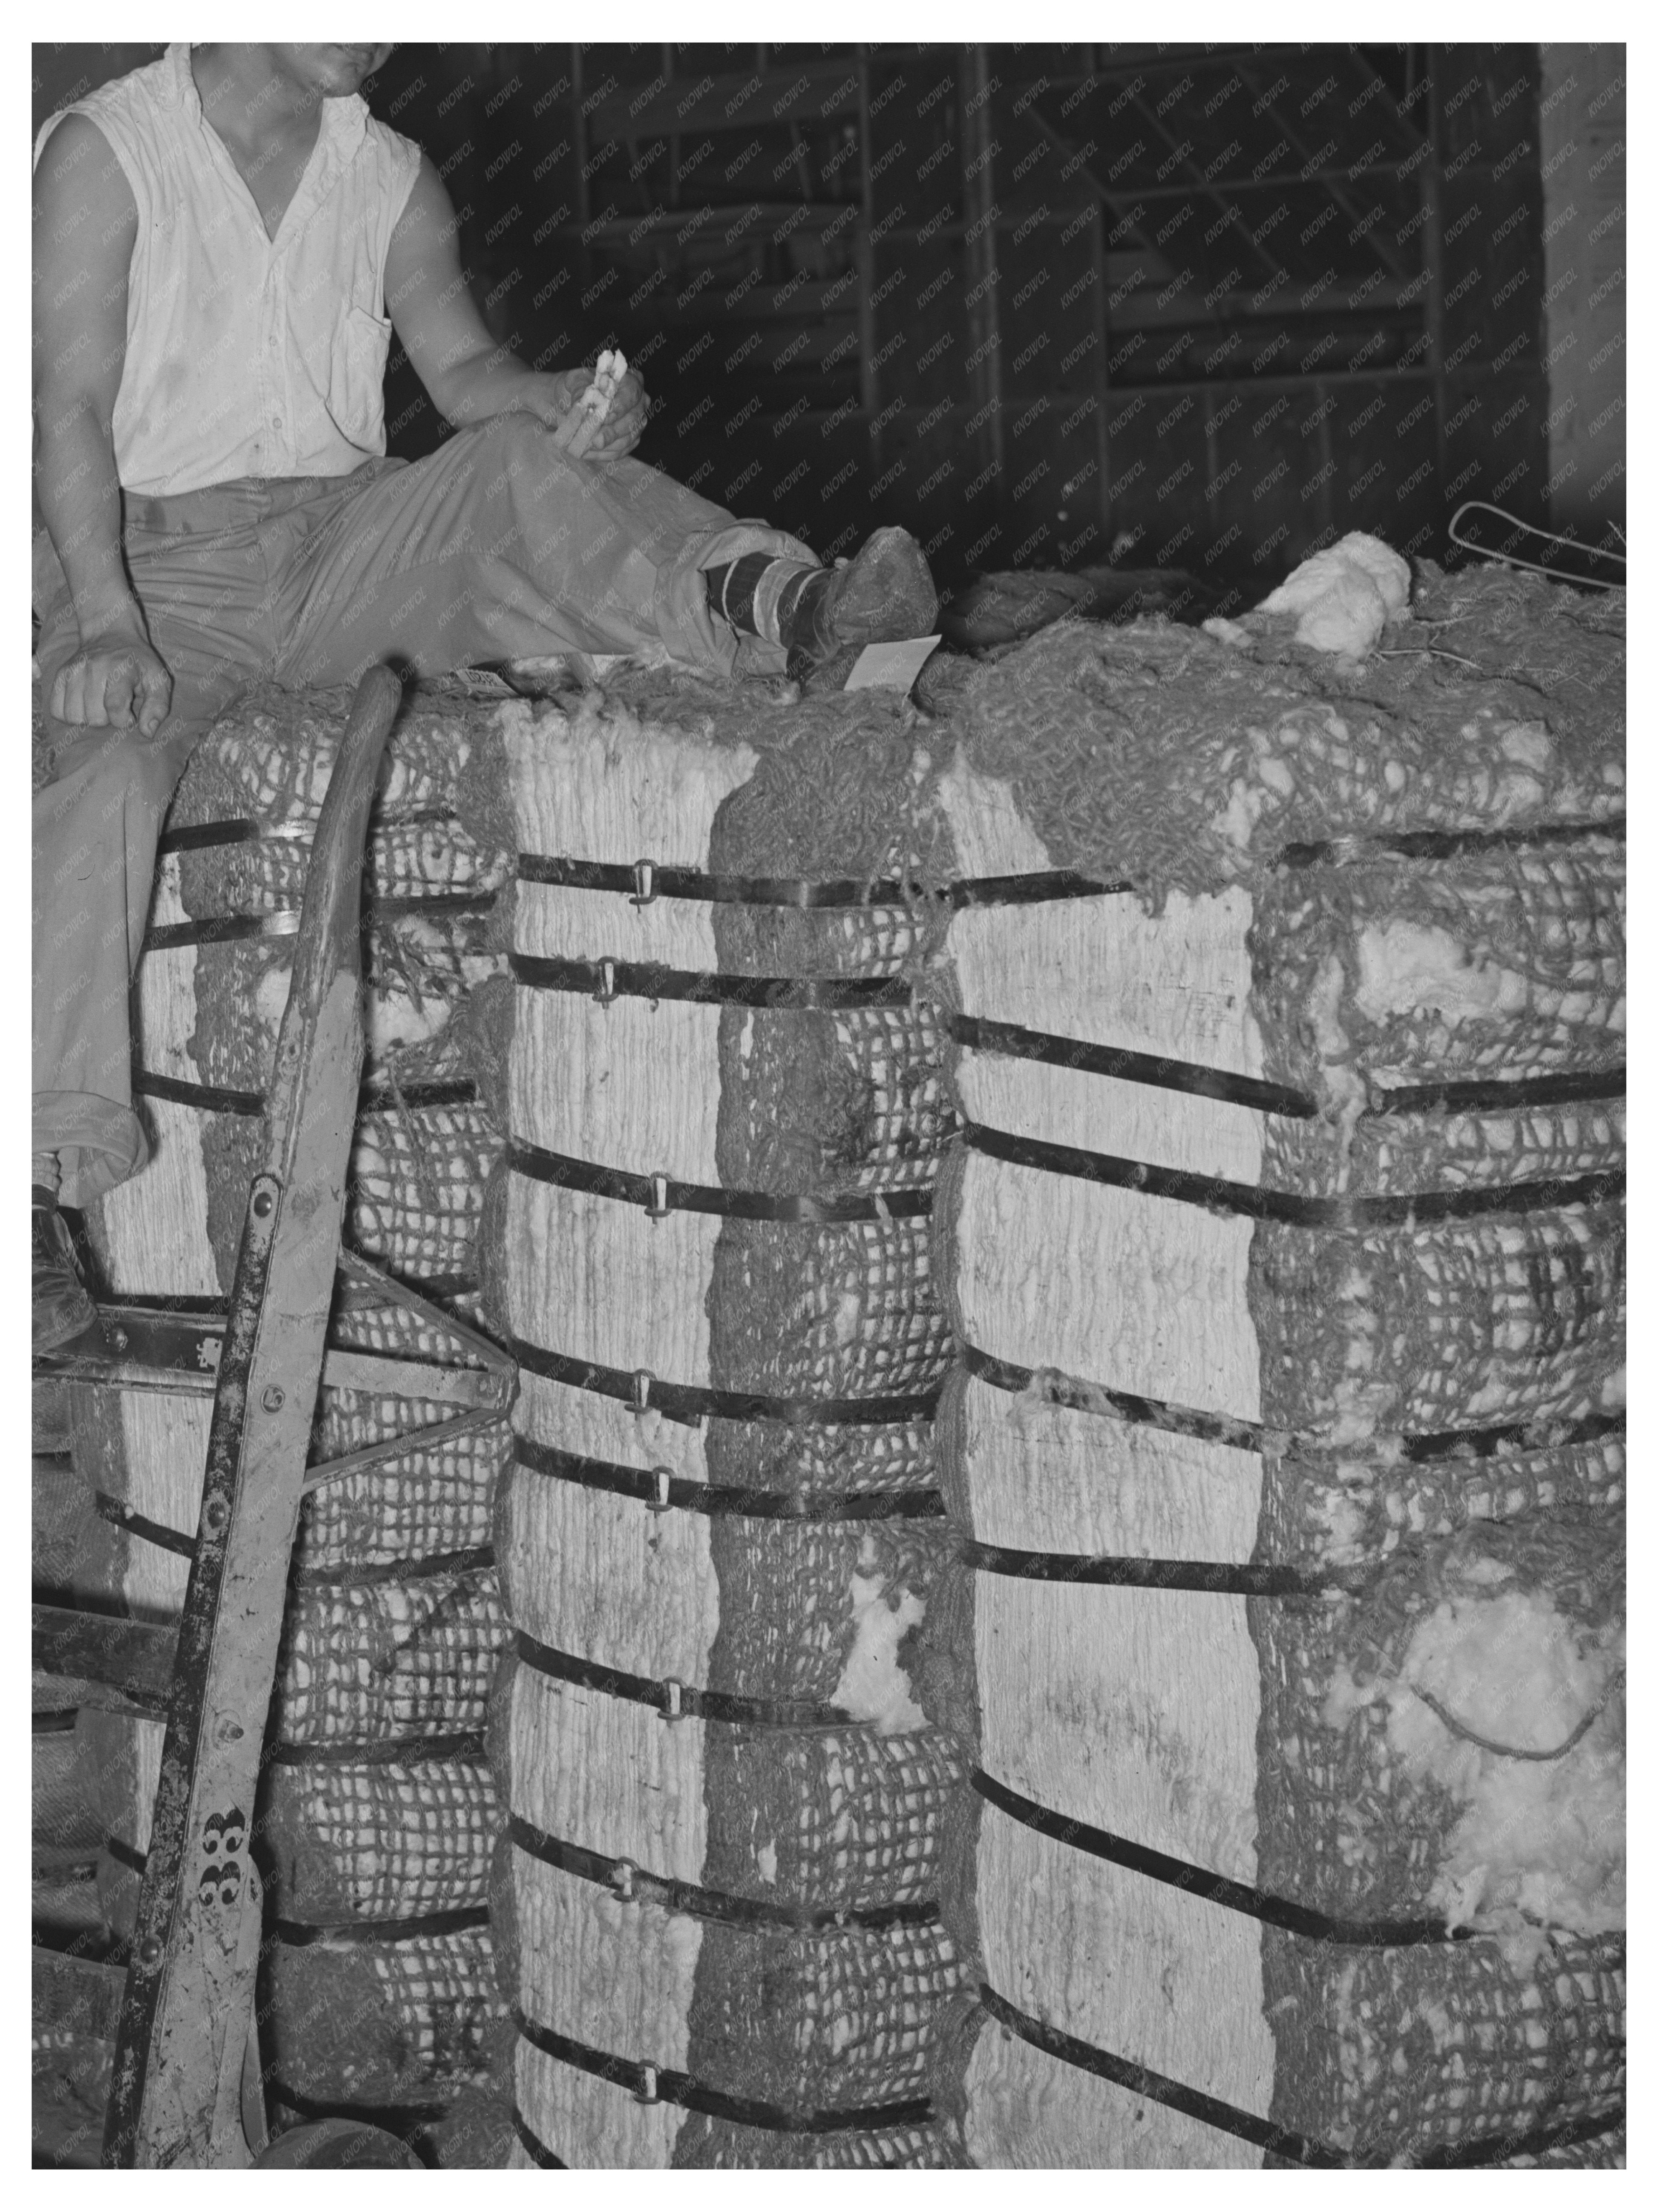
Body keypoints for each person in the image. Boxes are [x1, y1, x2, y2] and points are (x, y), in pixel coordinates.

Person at [32, 43, 937, 1352]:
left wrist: (560, 402)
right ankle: (37, 1191)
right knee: (103, 777)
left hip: (341, 539)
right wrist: (104, 623)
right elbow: (59, 405)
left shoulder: (390, 174)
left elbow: (464, 382)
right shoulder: (108, 152)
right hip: (155, 570)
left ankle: (783, 614)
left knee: (515, 465)